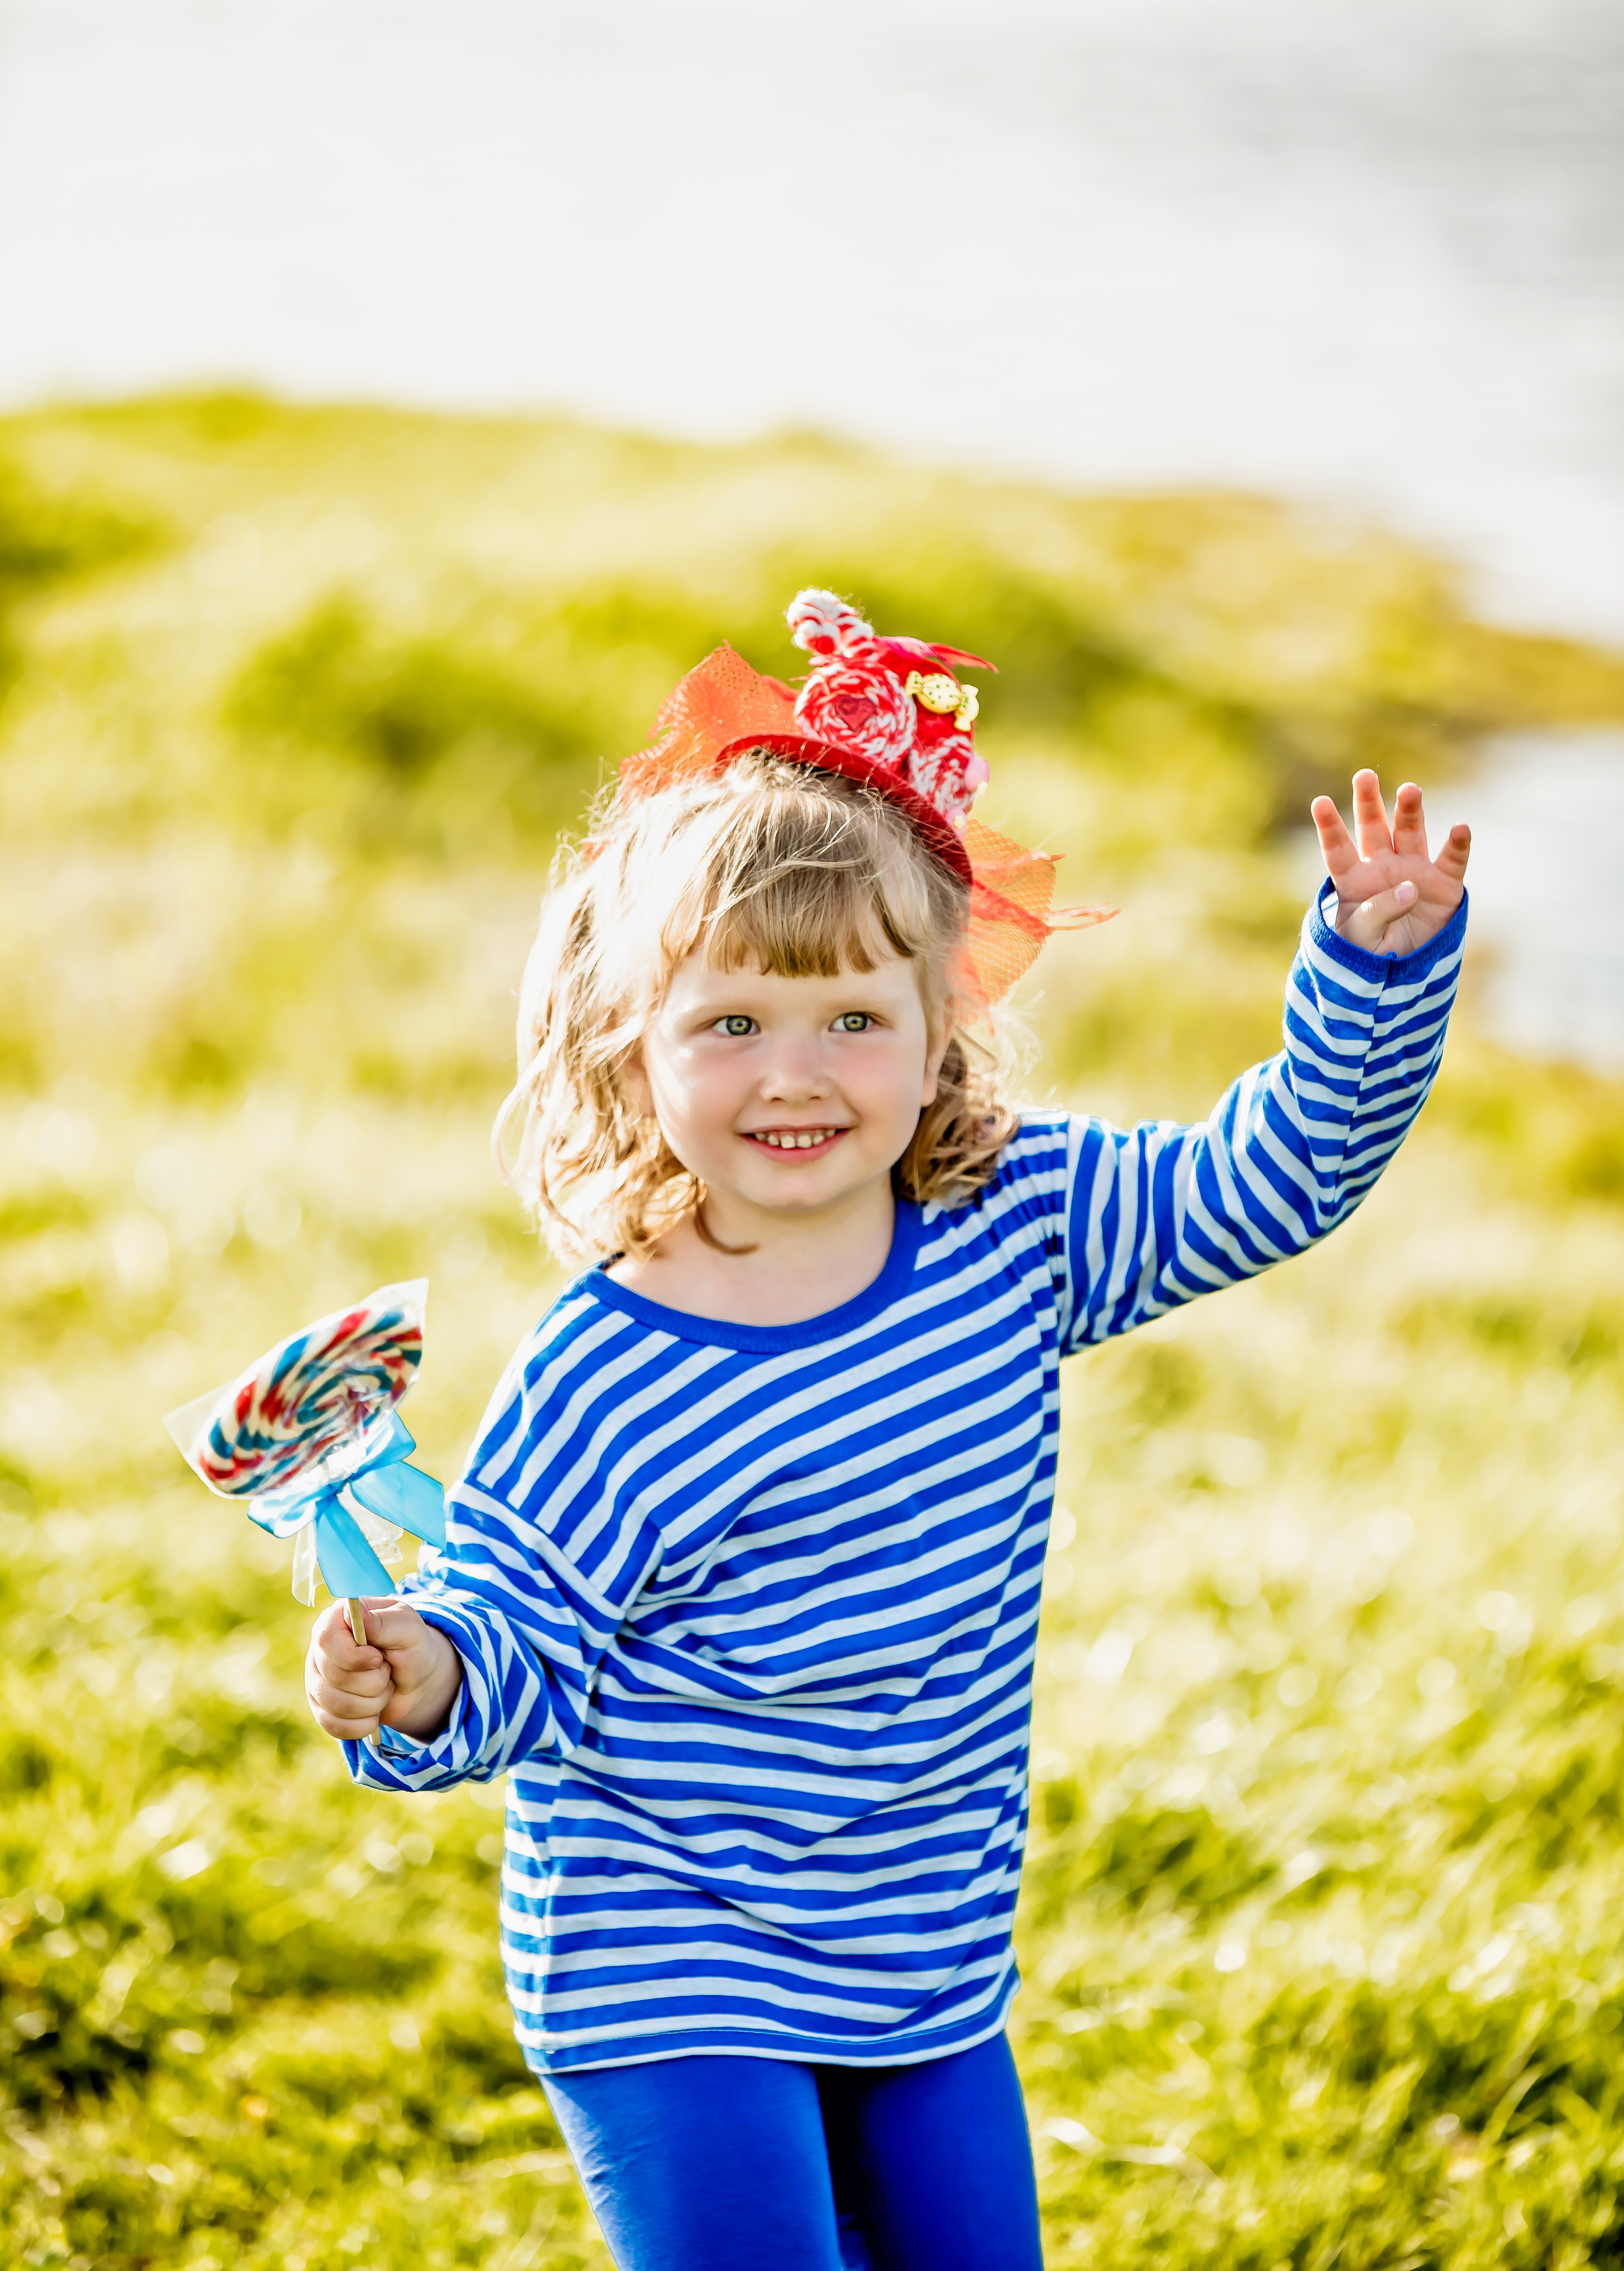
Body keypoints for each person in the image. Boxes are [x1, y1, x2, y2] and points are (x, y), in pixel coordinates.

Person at [305, 588, 1470, 2271]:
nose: (798, 1072)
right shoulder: (608, 1372)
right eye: (732, 1022)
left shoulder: (1017, 1228)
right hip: (668, 1950)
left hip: (918, 1935)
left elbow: (1271, 1175)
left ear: (941, 1031)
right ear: (635, 1053)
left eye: (855, 1015)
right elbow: (514, 1639)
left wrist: (1371, 969)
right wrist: (421, 1674)